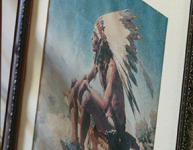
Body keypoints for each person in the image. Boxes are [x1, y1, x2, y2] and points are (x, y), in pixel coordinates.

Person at [63, 12, 149, 150]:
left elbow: (104, 105)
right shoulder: (99, 60)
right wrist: (76, 86)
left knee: (87, 97)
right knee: (73, 82)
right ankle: (74, 140)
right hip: (104, 118)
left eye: (94, 36)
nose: (91, 38)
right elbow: (87, 77)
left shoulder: (112, 68)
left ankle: (80, 146)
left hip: (113, 126)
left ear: (101, 42)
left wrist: (86, 87)